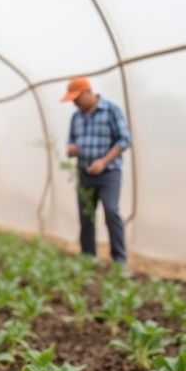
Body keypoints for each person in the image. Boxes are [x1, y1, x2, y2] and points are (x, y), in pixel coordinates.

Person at [60, 77, 132, 270]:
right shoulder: (76, 117)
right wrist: (71, 149)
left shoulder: (111, 110)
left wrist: (103, 161)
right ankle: (88, 257)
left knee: (111, 211)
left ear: (87, 93)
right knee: (86, 216)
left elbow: (124, 140)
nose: (74, 103)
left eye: (76, 98)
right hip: (84, 174)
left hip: (109, 173)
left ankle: (119, 261)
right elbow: (70, 142)